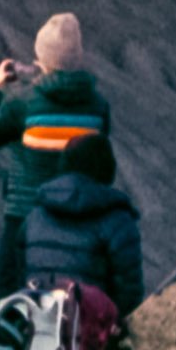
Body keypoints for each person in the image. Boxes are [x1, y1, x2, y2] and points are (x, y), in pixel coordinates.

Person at [0, 13, 113, 304]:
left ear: (42, 58)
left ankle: (0, 346)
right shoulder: (98, 107)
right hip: (79, 218)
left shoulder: (23, 102)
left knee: (2, 295)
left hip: (26, 213)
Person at [22, 131, 146, 317]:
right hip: (90, 333)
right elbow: (129, 293)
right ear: (107, 167)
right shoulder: (118, 221)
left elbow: (17, 274)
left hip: (35, 325)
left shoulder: (34, 215)